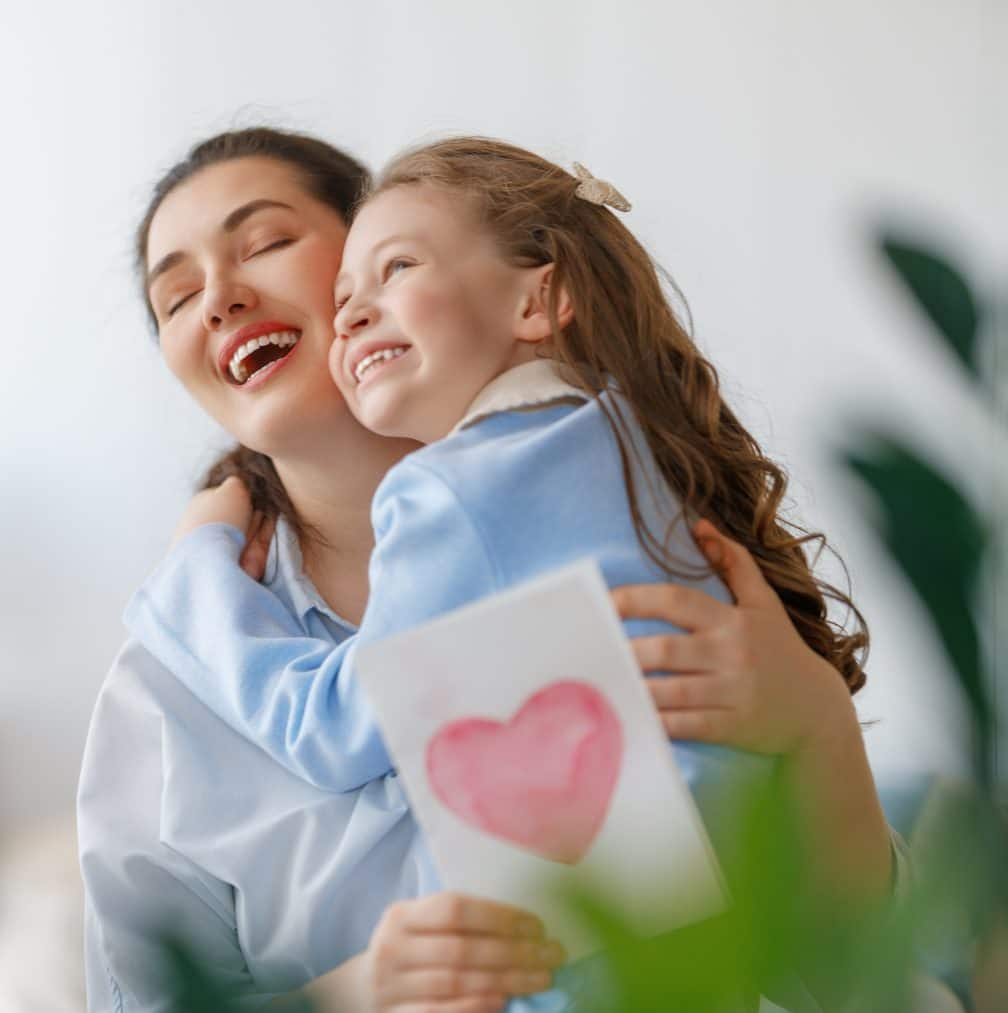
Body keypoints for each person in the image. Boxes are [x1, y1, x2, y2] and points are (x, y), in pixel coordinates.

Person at [80, 127, 897, 1012]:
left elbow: (862, 973)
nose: (219, 299)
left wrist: (817, 720)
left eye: (269, 243)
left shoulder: (652, 537)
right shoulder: (162, 691)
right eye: (175, 298)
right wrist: (354, 996)